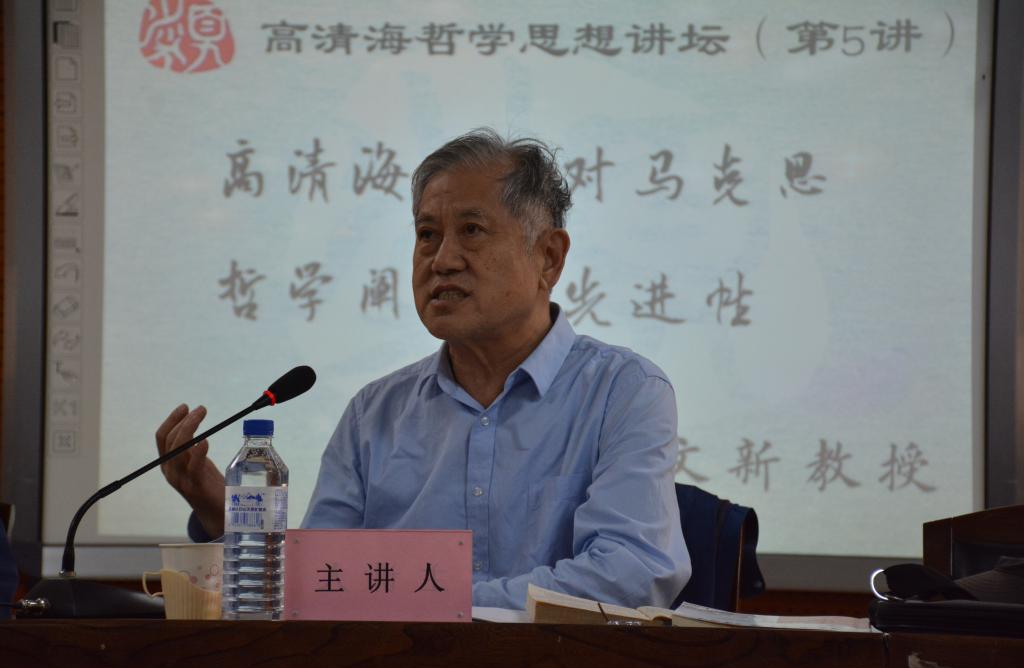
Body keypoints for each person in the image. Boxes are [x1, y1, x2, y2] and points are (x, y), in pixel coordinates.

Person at [158, 129, 690, 609]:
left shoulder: (623, 392)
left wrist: (441, 602)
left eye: (472, 230)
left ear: (548, 257)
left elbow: (630, 574)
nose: (442, 260)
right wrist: (224, 514)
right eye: (427, 234)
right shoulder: (374, 414)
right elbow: (318, 582)